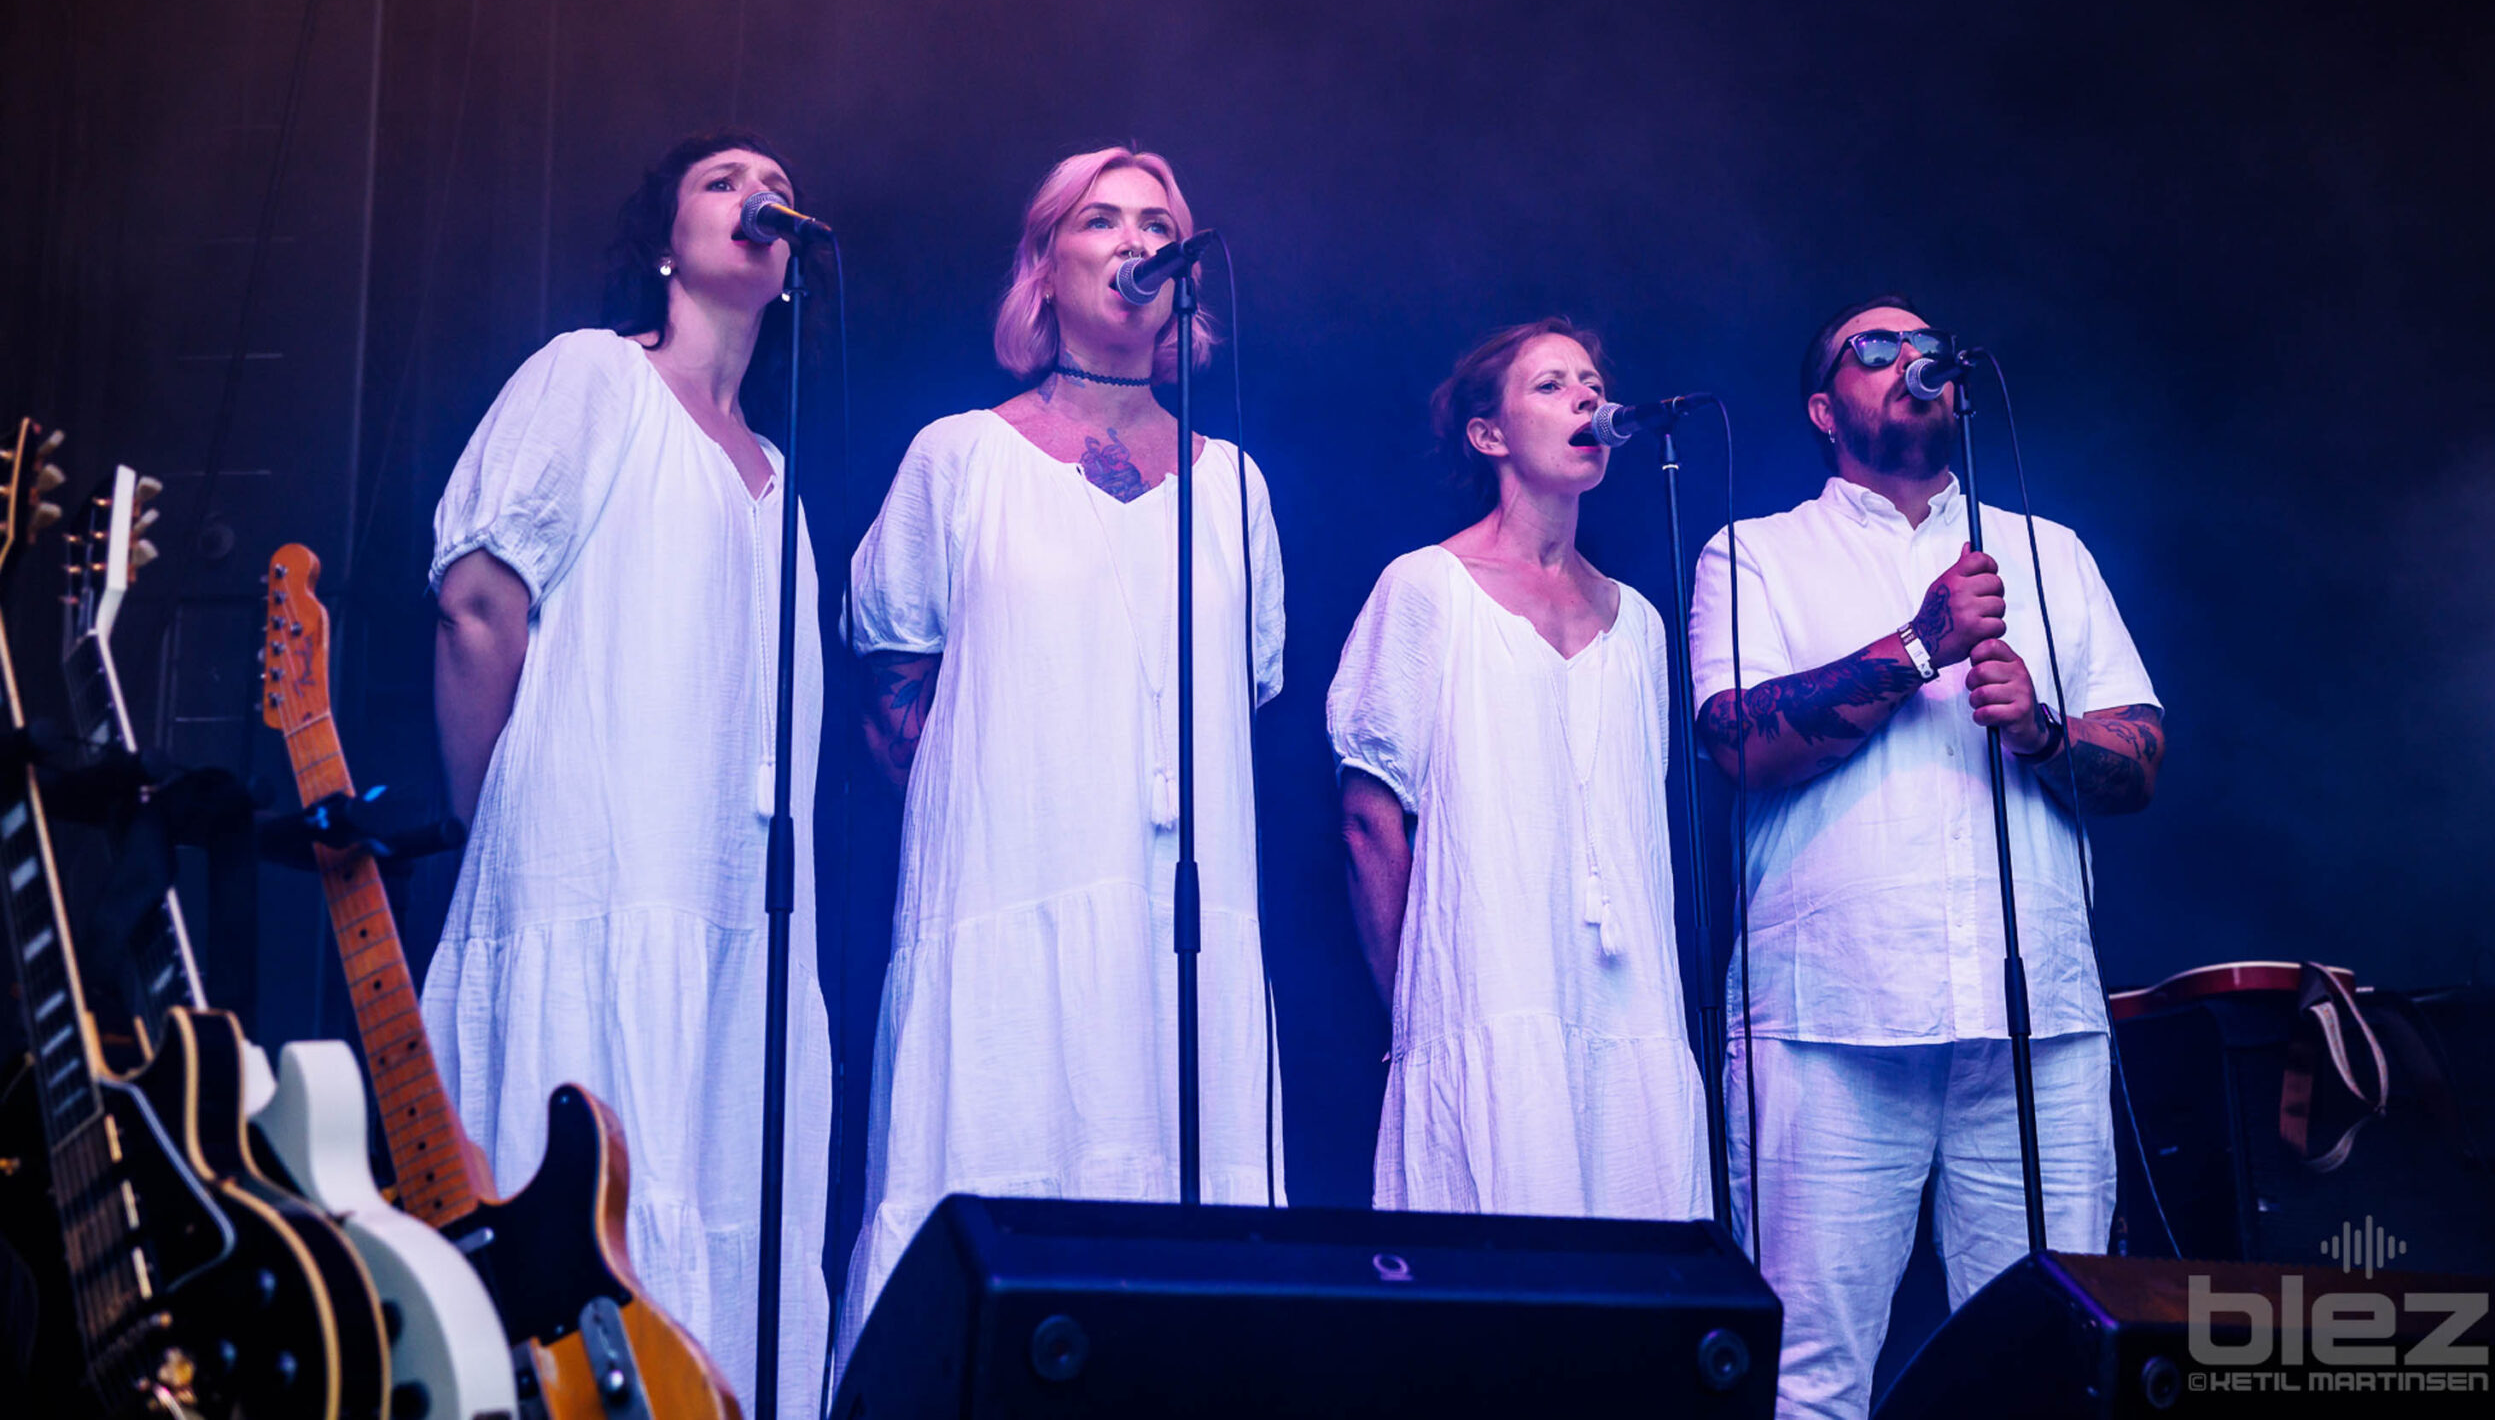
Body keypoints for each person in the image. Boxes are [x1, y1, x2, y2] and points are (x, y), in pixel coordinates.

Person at [837, 146, 1284, 1352]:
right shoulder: (958, 456)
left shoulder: (1233, 484)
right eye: (1103, 219)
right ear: (1046, 264)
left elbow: (1235, 706)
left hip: (1178, 922)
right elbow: (898, 687)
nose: (1135, 240)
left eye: (1159, 222)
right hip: (1007, 897)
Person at [1690, 295, 2164, 1420]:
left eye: (1927, 346)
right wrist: (1919, 646)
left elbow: (2138, 756)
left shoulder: (2048, 550)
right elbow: (1734, 743)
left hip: (2032, 1029)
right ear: (1822, 406)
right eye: (1874, 347)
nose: (1913, 360)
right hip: (1825, 1025)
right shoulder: (1752, 552)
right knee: (1806, 1374)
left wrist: (2046, 731)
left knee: (2049, 1369)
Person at [427, 130, 831, 1420]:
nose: (753, 195)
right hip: (588, 874)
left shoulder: (785, 484)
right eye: (719, 181)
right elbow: (481, 599)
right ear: (665, 245)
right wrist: (496, 822)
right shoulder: (594, 378)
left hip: (729, 932)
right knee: (582, 1236)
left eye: (770, 184)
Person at [1329, 319, 1715, 1219]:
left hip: (1630, 1013)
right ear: (1488, 434)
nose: (1587, 396)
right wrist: (1423, 1012)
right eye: (1551, 384)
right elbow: (1367, 820)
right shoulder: (1425, 588)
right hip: (1486, 1002)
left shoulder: (1643, 624)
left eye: (1590, 380)